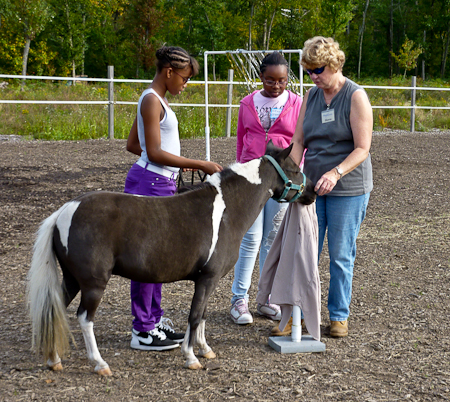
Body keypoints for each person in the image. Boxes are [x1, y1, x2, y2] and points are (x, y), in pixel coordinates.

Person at [124, 45, 223, 351]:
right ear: (169, 72)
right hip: (150, 182)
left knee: (158, 256)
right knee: (146, 257)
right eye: (184, 78)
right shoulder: (152, 101)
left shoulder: (156, 100)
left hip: (157, 179)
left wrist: (165, 164)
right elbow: (151, 151)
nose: (185, 84)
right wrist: (198, 164)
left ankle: (153, 320)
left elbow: (132, 144)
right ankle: (142, 329)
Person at [288, 36, 373, 338]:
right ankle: (297, 316)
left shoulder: (355, 96)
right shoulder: (311, 96)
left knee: (339, 255)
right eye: (309, 71)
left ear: (335, 64)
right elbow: (299, 142)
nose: (314, 77)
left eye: (319, 69)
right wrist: (289, 175)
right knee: (304, 252)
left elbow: (362, 148)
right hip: (311, 185)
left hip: (347, 187)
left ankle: (338, 316)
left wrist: (336, 173)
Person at [230, 52, 303, 325]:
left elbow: (299, 142)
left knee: (273, 239)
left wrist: (296, 174)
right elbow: (240, 139)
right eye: (270, 80)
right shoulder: (248, 103)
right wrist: (239, 171)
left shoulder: (297, 103)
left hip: (281, 181)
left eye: (282, 80)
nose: (276, 86)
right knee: (250, 238)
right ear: (261, 77)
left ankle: (267, 298)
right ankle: (239, 299)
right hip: (251, 179)